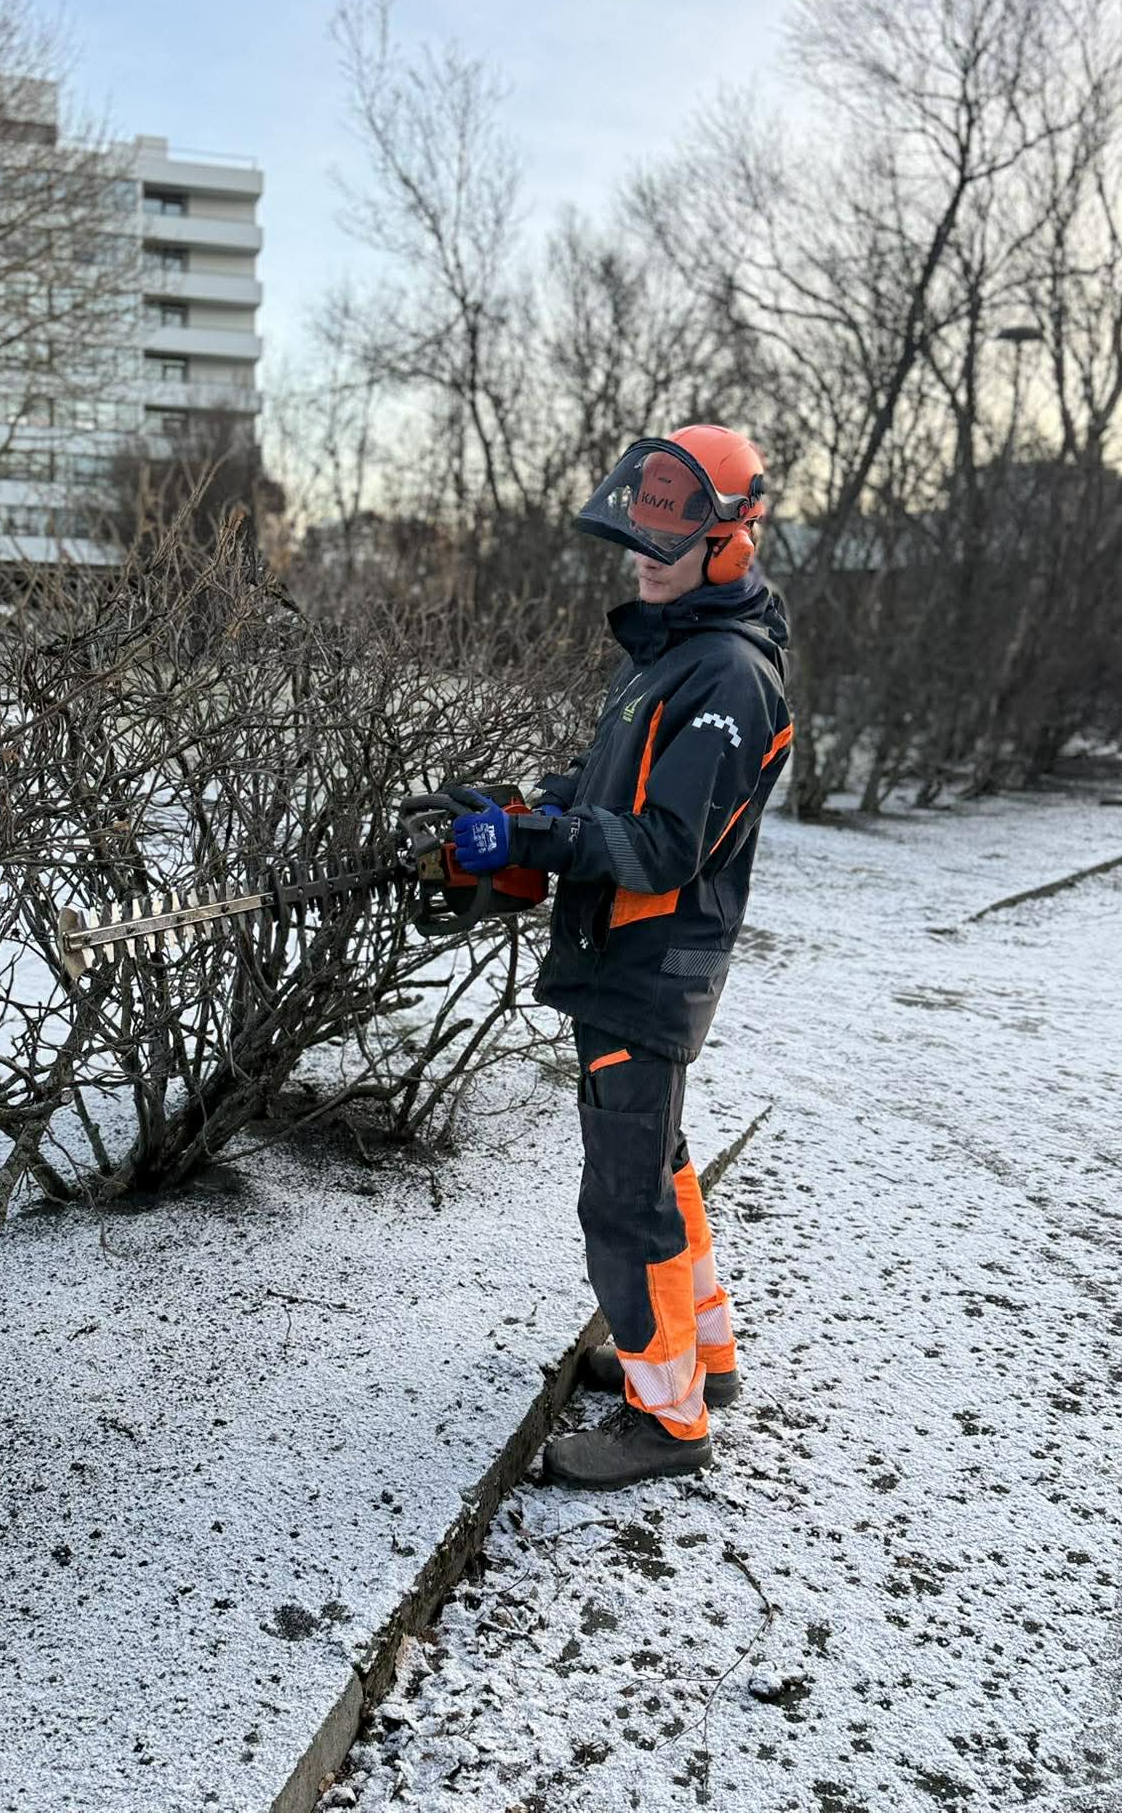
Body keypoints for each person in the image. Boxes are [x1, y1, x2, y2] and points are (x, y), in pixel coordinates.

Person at [451, 426, 792, 1490]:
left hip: (651, 963)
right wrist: (538, 804)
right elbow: (612, 786)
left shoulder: (729, 678)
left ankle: (668, 1417)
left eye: (672, 531)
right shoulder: (672, 653)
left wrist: (539, 844)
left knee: (625, 1199)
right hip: (632, 959)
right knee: (663, 1167)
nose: (645, 549)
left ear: (730, 538)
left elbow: (662, 847)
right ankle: (704, 1356)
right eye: (640, 523)